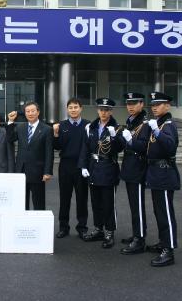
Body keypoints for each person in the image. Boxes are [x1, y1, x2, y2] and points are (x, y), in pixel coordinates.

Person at [78, 98, 125, 249]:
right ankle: (98, 229)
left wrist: (114, 137)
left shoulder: (117, 128)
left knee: (108, 203)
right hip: (93, 167)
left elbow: (119, 148)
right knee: (95, 202)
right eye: (101, 109)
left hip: (108, 167)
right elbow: (85, 147)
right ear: (97, 110)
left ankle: (109, 232)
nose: (103, 112)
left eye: (107, 110)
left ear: (111, 111)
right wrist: (83, 166)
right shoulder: (90, 126)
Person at [145, 92, 180, 267]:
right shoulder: (159, 123)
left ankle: (169, 249)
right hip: (156, 174)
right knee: (159, 211)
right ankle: (163, 241)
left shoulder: (169, 125)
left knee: (166, 212)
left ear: (167, 106)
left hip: (165, 173)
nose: (155, 107)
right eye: (153, 105)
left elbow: (170, 147)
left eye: (158, 104)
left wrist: (157, 132)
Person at [117, 92, 150, 255]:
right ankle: (137, 234)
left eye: (134, 103)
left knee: (137, 205)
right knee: (133, 205)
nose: (130, 106)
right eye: (128, 103)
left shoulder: (145, 123)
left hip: (138, 168)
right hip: (130, 167)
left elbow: (143, 146)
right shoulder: (132, 121)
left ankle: (140, 239)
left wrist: (130, 140)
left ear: (141, 104)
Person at [53, 98, 90, 239]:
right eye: (70, 107)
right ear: (67, 110)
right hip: (66, 166)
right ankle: (64, 227)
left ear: (81, 108)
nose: (73, 110)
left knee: (82, 198)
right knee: (64, 198)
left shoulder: (88, 125)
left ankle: (82, 227)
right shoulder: (61, 125)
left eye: (76, 107)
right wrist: (56, 134)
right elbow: (57, 147)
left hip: (81, 166)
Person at [7, 102, 54, 210]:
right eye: (27, 111)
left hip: (38, 171)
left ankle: (39, 225)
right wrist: (10, 122)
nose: (30, 113)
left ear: (38, 112)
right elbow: (10, 139)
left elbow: (49, 152)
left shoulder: (46, 129)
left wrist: (47, 171)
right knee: (22, 203)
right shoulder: (20, 127)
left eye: (33, 111)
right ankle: (23, 225)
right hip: (21, 170)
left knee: (38, 203)